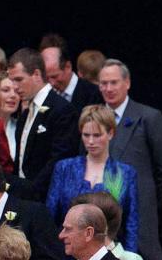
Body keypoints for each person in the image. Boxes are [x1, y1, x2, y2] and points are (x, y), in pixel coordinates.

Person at [100, 58, 162, 260]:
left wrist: (147, 194)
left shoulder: (148, 117)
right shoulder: (93, 119)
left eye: (114, 82)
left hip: (139, 212)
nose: (108, 88)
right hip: (103, 212)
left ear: (127, 83)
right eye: (103, 83)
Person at [46, 105, 140, 252]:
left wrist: (128, 259)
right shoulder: (64, 168)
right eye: (85, 135)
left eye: (97, 135)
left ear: (110, 133)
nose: (90, 141)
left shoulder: (125, 173)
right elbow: (51, 215)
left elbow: (131, 223)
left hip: (109, 254)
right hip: (67, 254)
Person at [8, 48, 80, 201]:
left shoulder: (62, 109)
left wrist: (31, 190)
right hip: (23, 200)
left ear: (36, 74)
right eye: (12, 80)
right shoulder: (26, 113)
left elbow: (60, 160)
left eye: (19, 79)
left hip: (46, 200)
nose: (14, 87)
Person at [39, 34, 103, 112]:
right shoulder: (45, 96)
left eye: (54, 76)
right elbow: (41, 118)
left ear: (68, 67)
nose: (51, 83)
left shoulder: (94, 94)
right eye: (46, 78)